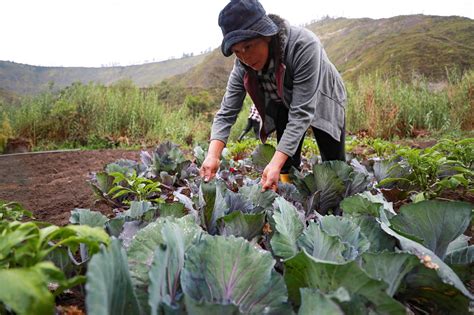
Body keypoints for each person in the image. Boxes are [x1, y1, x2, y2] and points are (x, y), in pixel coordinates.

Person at [200, 0, 346, 191]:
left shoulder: (304, 46)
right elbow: (226, 112)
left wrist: (274, 163)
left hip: (325, 98)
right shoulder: (242, 67)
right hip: (284, 101)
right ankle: (290, 199)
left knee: (333, 165)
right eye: (237, 51)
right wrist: (212, 155)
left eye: (248, 46)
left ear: (266, 36)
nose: (245, 57)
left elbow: (301, 112)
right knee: (285, 164)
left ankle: (338, 202)